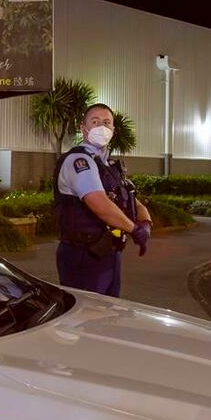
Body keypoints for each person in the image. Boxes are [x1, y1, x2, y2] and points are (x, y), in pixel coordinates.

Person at [53, 103, 153, 297]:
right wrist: (134, 229)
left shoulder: (107, 165)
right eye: (95, 121)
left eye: (106, 123)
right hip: (83, 255)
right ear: (84, 129)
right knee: (86, 320)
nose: (101, 127)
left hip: (108, 253)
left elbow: (132, 200)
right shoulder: (79, 161)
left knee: (107, 316)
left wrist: (146, 223)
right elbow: (98, 203)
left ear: (113, 130)